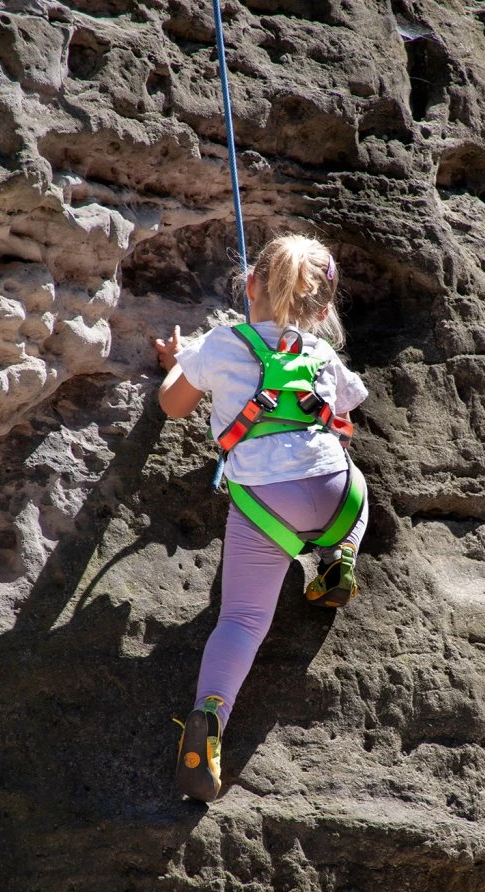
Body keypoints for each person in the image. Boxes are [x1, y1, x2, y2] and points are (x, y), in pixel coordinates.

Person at [154, 234, 370, 802]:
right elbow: (350, 402)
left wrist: (179, 364)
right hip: (337, 495)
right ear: (322, 309)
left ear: (249, 285)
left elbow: (173, 405)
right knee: (355, 480)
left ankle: (209, 717)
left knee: (243, 621)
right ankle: (339, 557)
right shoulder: (320, 352)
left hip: (264, 508)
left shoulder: (221, 344)